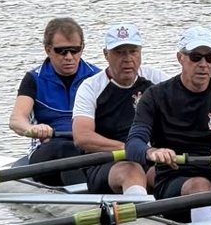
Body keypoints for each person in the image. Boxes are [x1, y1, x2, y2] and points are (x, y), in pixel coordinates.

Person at [125, 26, 211, 224]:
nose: (203, 64)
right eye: (196, 57)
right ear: (180, 58)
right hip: (175, 177)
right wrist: (152, 153)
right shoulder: (156, 96)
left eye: (210, 58)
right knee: (199, 186)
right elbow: (133, 144)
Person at [72, 23, 169, 195]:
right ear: (106, 55)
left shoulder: (157, 79)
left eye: (133, 51)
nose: (127, 59)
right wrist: (133, 149)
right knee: (131, 171)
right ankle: (140, 217)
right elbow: (82, 137)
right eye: (119, 52)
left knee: (176, 176)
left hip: (151, 157)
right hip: (107, 163)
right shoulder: (91, 87)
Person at [8, 17, 101, 185]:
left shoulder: (98, 77)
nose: (69, 57)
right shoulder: (34, 79)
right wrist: (32, 128)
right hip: (49, 149)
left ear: (82, 48)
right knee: (65, 149)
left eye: (75, 50)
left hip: (89, 147)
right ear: (48, 50)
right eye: (61, 51)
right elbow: (16, 120)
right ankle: (85, 198)